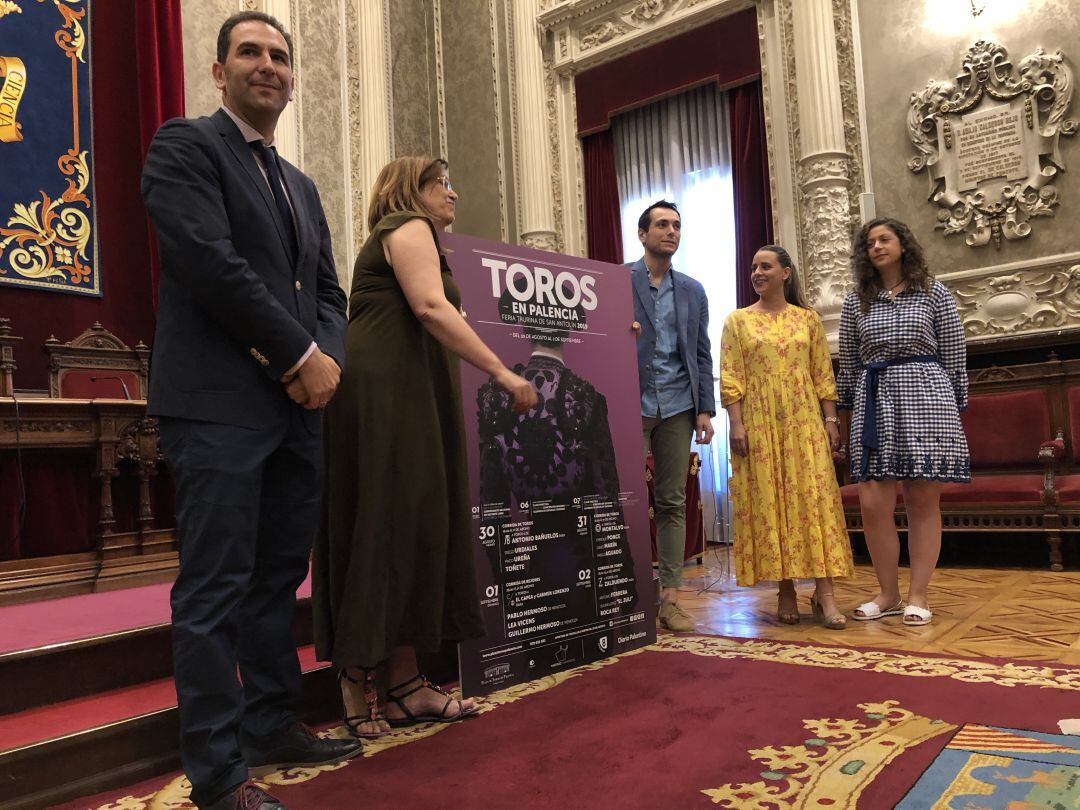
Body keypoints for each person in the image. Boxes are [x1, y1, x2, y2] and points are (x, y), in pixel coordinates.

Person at [141, 11, 357, 809]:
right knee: (215, 591)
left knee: (276, 582)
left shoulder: (299, 185)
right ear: (218, 70)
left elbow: (328, 292)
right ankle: (218, 774)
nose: (268, 65)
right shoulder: (184, 147)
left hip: (298, 414)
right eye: (251, 53)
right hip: (220, 408)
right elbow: (210, 264)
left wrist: (326, 362)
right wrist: (299, 358)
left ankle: (273, 722)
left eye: (280, 55)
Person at [313, 156, 537, 740]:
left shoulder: (423, 241)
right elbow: (430, 308)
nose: (453, 192)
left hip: (409, 392)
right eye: (443, 182)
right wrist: (504, 375)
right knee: (383, 524)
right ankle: (355, 677)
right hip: (385, 395)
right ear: (410, 190)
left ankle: (406, 687)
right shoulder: (407, 226)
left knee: (415, 526)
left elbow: (437, 309)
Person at [837, 217, 970, 627]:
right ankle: (888, 592)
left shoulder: (934, 293)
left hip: (927, 397)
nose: (877, 246)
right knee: (874, 503)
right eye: (870, 242)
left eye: (885, 239)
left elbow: (953, 354)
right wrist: (844, 412)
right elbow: (849, 362)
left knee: (921, 501)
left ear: (902, 245)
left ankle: (918, 595)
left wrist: (953, 406)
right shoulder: (855, 301)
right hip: (875, 401)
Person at [476, 290, 638, 618]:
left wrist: (508, 580)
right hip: (582, 567)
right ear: (569, 328)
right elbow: (605, 498)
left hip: (528, 570)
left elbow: (491, 506)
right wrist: (621, 579)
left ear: (526, 325)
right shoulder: (585, 396)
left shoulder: (494, 396)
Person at [720, 246, 853, 629]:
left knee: (814, 500)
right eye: (753, 267)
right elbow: (732, 377)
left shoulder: (808, 319)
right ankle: (787, 589)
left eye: (765, 266)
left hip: (804, 421)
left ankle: (826, 595)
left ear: (786, 273)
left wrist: (831, 421)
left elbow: (821, 373)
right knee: (772, 501)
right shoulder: (738, 321)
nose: (757, 273)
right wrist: (737, 424)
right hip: (759, 423)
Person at [629, 200, 715, 633]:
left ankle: (671, 599)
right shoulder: (617, 281)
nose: (671, 231)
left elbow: (701, 351)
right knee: (622, 500)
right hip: (630, 403)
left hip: (679, 406)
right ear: (642, 234)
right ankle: (624, 594)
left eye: (677, 225)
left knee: (672, 501)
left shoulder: (693, 290)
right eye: (662, 224)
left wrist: (704, 408)